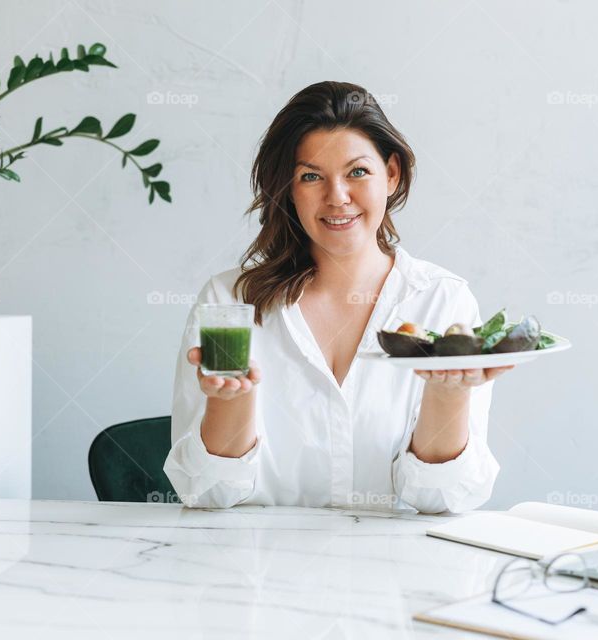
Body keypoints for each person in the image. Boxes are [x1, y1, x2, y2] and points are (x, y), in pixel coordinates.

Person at [164, 81, 514, 513]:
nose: (337, 197)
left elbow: (442, 501)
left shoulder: (443, 302)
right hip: (257, 567)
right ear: (288, 189)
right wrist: (229, 404)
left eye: (358, 172)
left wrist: (448, 396)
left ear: (392, 173)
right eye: (311, 176)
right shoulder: (229, 301)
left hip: (399, 572)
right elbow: (206, 494)